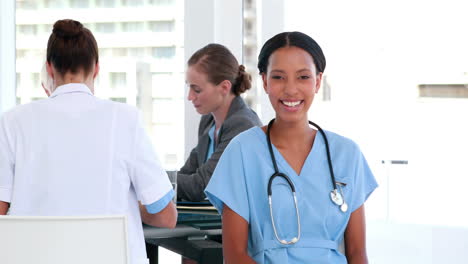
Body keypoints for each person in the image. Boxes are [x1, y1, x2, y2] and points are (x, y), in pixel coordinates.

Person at [0, 19, 177, 264]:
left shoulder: (12, 122)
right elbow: (166, 217)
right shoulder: (126, 120)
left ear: (49, 68)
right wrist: (122, 205)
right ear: (96, 69)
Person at [205, 31, 378, 263]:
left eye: (303, 77)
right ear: (265, 82)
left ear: (317, 81)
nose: (291, 89)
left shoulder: (347, 154)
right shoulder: (242, 152)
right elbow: (235, 256)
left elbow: (357, 254)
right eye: (278, 77)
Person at [177, 43, 262, 202]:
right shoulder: (208, 122)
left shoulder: (242, 125)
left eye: (197, 90)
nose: (190, 96)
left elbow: (201, 186)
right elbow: (186, 174)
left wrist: (150, 179)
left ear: (224, 87)